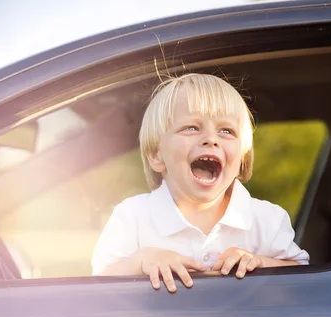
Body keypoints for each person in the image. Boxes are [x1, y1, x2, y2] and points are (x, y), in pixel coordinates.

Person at [91, 73, 309, 292]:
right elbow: (98, 283)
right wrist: (142, 260)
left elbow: (302, 278)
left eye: (226, 131)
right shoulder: (132, 216)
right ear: (157, 155)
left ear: (241, 159)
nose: (211, 139)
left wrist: (260, 263)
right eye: (191, 128)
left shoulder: (267, 219)